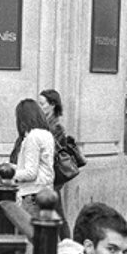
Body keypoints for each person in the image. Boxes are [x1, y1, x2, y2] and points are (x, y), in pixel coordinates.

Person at [0, 98, 55, 217]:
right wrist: (13, 167)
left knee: (29, 232)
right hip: (44, 193)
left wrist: (7, 175)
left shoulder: (32, 137)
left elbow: (31, 173)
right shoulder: (46, 134)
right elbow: (39, 166)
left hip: (32, 194)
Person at [38, 88, 76, 238]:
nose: (39, 107)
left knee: (58, 215)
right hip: (47, 176)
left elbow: (52, 153)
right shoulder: (44, 125)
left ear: (52, 105)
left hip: (52, 177)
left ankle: (68, 244)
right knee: (56, 213)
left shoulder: (56, 128)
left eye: (42, 103)